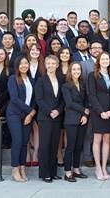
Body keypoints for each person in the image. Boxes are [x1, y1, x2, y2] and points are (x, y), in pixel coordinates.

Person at [35, 55, 65, 183]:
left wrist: (58, 110)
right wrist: (49, 111)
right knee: (45, 145)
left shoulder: (61, 79)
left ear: (57, 65)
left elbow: (63, 99)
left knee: (54, 145)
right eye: (49, 63)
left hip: (57, 116)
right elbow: (39, 99)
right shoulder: (40, 80)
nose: (51, 65)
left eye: (53, 63)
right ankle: (44, 173)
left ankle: (53, 172)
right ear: (45, 65)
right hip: (45, 117)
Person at [6, 56, 36, 182]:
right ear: (17, 66)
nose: (24, 65)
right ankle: (15, 168)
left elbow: (34, 99)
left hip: (27, 116)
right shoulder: (13, 79)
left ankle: (22, 167)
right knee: (17, 141)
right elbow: (14, 98)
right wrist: (30, 111)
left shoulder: (31, 80)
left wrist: (30, 114)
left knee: (24, 143)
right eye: (21, 64)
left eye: (26, 63)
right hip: (14, 114)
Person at [87, 52, 110, 180]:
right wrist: (101, 112)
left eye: (107, 59)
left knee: (107, 140)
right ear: (98, 61)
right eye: (102, 59)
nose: (105, 61)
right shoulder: (92, 76)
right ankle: (98, 168)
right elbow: (91, 95)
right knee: (97, 139)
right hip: (98, 113)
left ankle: (104, 167)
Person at [61, 62, 89, 182]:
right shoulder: (66, 86)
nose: (76, 71)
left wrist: (85, 115)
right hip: (71, 119)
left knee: (79, 146)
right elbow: (69, 103)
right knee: (70, 146)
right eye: (74, 69)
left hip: (82, 119)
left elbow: (86, 101)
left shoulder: (82, 84)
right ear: (70, 71)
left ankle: (76, 169)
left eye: (78, 69)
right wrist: (84, 110)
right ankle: (67, 172)